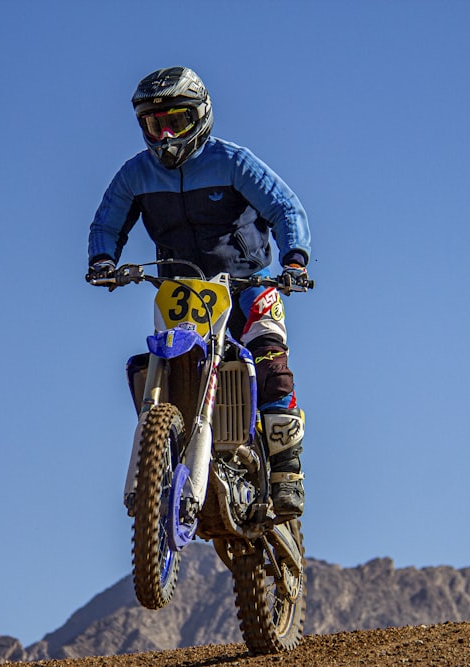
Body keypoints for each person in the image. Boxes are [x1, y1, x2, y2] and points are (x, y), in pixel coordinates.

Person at [86, 66, 312, 518]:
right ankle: (162, 451)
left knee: (269, 354)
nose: (166, 135)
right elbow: (107, 220)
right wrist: (102, 260)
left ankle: (287, 472)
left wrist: (294, 259)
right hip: (180, 288)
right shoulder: (135, 175)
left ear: (201, 116)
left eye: (177, 122)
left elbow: (285, 206)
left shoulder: (233, 162)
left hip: (248, 282)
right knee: (149, 360)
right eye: (155, 124)